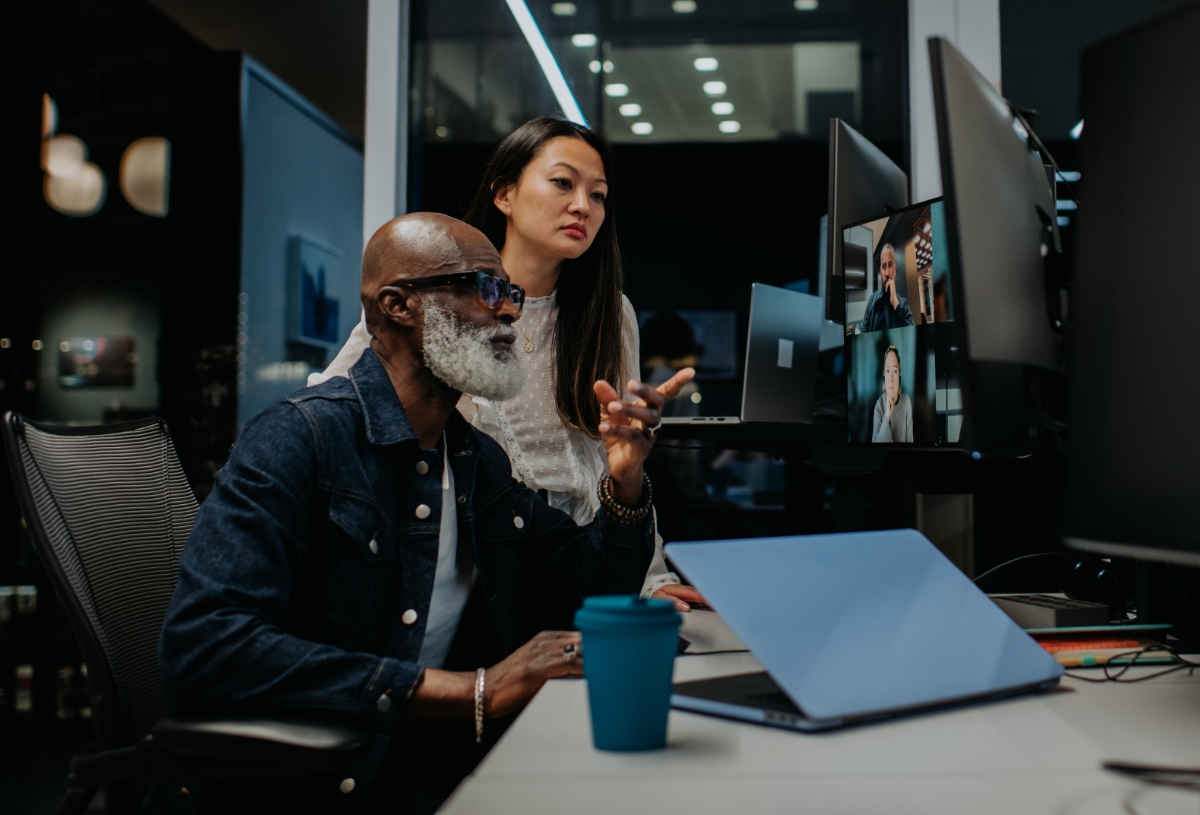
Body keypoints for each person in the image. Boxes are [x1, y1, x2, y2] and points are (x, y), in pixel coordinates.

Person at [159, 213, 667, 814]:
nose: (508, 312)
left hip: (429, 761)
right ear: (399, 305)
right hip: (319, 784)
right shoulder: (298, 441)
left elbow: (589, 587)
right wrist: (474, 689)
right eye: (484, 288)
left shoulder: (476, 462)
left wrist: (625, 477)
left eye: (510, 293)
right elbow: (206, 648)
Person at [314, 116, 704, 611]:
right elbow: (333, 402)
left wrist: (648, 577)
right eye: (562, 182)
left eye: (599, 194)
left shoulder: (609, 310)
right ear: (505, 195)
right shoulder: (444, 298)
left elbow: (612, 457)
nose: (583, 205)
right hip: (472, 552)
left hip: (581, 554)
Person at [859, 243, 914, 332]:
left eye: (890, 265)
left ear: (895, 269)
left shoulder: (904, 304)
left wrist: (896, 305)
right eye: (884, 267)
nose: (887, 273)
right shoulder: (872, 300)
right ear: (881, 271)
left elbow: (911, 338)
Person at [871, 344, 913, 443]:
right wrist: (887, 416)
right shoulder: (879, 406)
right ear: (884, 375)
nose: (891, 378)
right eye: (888, 371)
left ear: (899, 374)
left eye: (895, 371)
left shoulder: (906, 402)